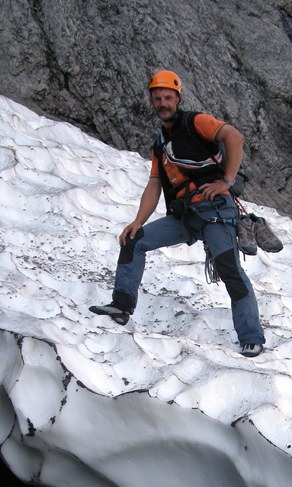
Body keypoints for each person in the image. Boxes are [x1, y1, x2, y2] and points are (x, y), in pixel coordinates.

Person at [90, 70, 265, 357]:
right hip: (185, 215)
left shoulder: (197, 122)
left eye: (168, 98)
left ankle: (251, 337)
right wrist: (137, 222)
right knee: (134, 240)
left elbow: (234, 137)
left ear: (178, 99)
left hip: (215, 209)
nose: (163, 103)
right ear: (152, 101)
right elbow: (154, 184)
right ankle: (121, 307)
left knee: (230, 269)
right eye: (158, 98)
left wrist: (226, 181)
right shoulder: (160, 144)